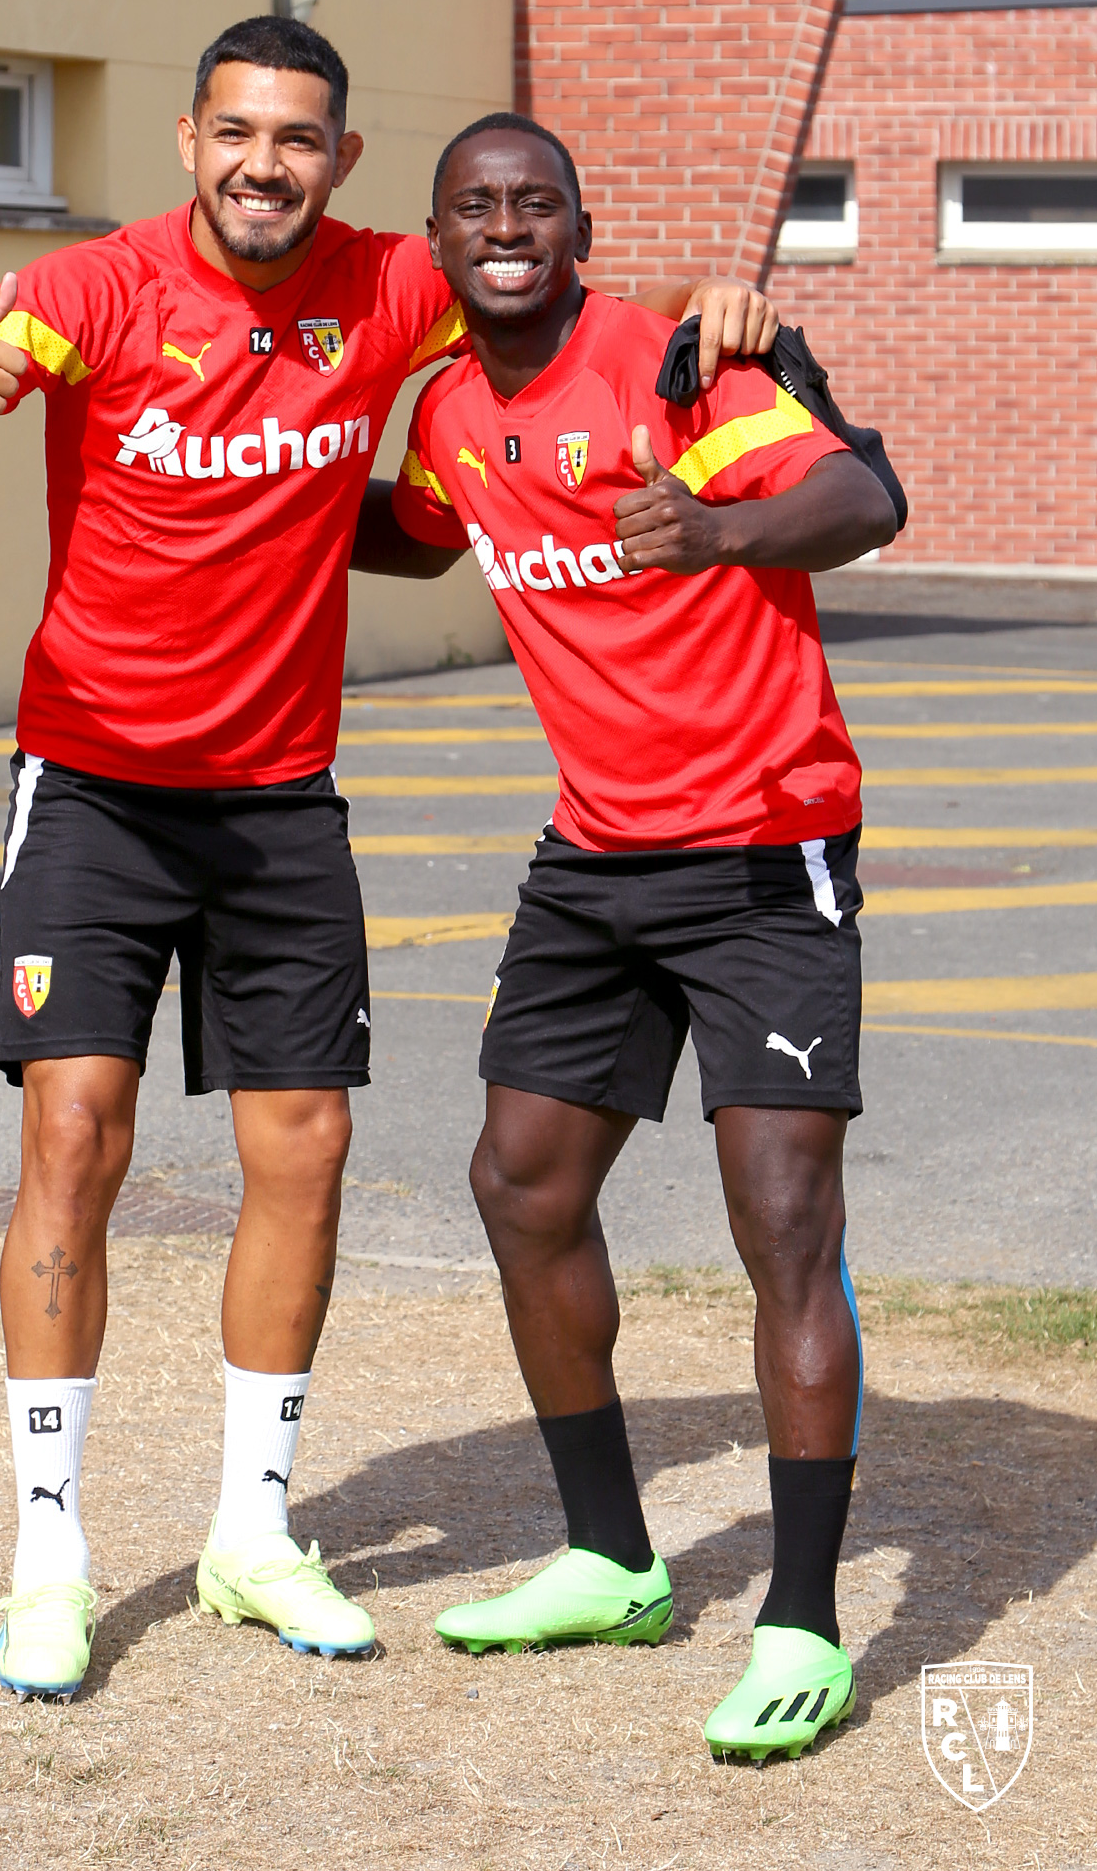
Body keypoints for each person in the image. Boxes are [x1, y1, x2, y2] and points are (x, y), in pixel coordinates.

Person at [0, 20, 775, 1701]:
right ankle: (48, 1562)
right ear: (190, 138)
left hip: (279, 800)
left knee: (307, 1144)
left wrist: (726, 312)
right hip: (96, 789)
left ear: (340, 160)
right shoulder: (89, 292)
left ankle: (254, 1533)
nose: (266, 162)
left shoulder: (390, 280)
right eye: (238, 132)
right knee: (75, 1130)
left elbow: (536, 266)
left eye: (301, 139)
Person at [352, 110, 897, 1761]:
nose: (504, 226)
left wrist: (721, 529)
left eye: (534, 204)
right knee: (520, 1180)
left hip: (762, 846)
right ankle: (610, 1554)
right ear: (440, 240)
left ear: (580, 230)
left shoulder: (674, 367)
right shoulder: (447, 405)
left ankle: (801, 1621)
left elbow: (862, 491)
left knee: (781, 1215)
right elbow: (414, 524)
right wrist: (243, 465)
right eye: (475, 207)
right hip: (594, 857)